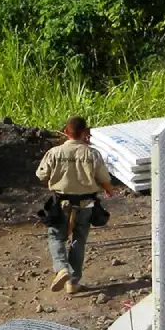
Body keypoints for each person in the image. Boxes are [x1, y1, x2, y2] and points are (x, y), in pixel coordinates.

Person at [35, 116, 119, 295]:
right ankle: (72, 283)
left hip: (61, 204)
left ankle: (61, 268)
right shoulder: (92, 154)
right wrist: (109, 190)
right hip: (86, 204)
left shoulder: (54, 153)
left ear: (66, 132)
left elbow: (42, 175)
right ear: (84, 133)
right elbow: (104, 179)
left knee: (56, 237)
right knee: (78, 240)